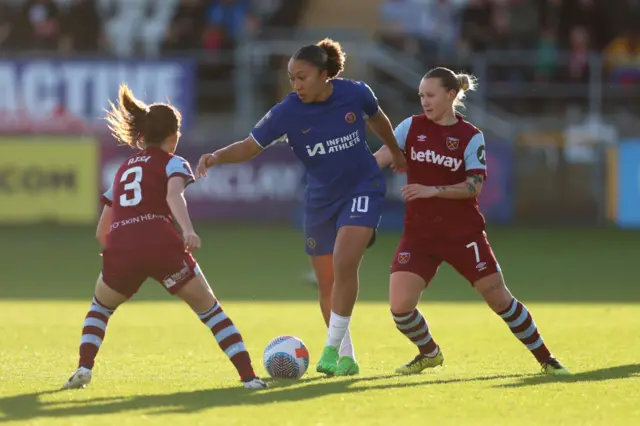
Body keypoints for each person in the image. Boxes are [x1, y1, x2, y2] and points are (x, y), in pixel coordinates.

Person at [196, 38, 406, 376]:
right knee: (326, 282)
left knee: (344, 261)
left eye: (302, 77)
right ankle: (347, 357)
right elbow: (251, 146)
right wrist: (217, 157)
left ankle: (329, 350)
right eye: (292, 78)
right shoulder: (287, 111)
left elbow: (377, 119)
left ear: (325, 75)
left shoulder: (355, 93)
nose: (296, 85)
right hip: (321, 199)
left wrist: (394, 150)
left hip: (363, 186)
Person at [63, 84, 267, 390]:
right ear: (175, 134)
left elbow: (100, 230)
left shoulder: (121, 170)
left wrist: (122, 250)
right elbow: (174, 197)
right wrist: (187, 230)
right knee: (211, 311)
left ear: (143, 134)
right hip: (162, 244)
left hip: (121, 246)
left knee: (100, 308)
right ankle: (249, 378)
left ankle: (84, 367)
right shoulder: (174, 162)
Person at [374, 67, 570, 376]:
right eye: (421, 96)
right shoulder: (410, 127)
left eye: (431, 95)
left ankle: (547, 360)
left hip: (463, 234)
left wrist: (431, 190)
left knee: (499, 298)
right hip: (420, 234)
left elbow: (473, 187)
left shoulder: (470, 136)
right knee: (400, 308)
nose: (424, 102)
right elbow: (380, 158)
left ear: (450, 95)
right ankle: (430, 353)